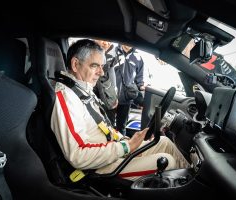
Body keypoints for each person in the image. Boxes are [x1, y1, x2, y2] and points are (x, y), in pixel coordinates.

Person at [50, 39, 189, 181]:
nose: (101, 72)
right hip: (98, 168)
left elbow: (105, 128)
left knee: (164, 142)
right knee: (167, 161)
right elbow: (78, 156)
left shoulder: (83, 90)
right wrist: (127, 146)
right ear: (75, 64)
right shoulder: (66, 97)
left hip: (111, 153)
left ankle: (193, 180)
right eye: (94, 66)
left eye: (102, 66)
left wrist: (127, 141)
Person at [114, 44, 145, 135]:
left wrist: (142, 90)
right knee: (107, 125)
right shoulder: (112, 52)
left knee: (122, 127)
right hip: (110, 97)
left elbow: (139, 80)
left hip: (126, 99)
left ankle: (121, 147)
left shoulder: (138, 58)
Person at [93, 39, 118, 126]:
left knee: (109, 122)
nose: (106, 43)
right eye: (103, 40)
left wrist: (114, 94)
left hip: (106, 91)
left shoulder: (112, 54)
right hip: (93, 91)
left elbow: (111, 71)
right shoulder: (87, 52)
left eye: (109, 41)